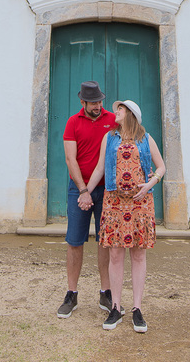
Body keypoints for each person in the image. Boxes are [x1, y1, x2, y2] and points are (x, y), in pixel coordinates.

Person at [84, 99, 166, 333]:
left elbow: (161, 167)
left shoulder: (145, 139)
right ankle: (116, 308)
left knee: (138, 255)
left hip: (140, 203)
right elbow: (100, 168)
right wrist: (85, 193)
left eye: (119, 109)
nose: (115, 112)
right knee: (115, 254)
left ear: (130, 114)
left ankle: (137, 309)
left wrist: (151, 182)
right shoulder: (109, 138)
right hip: (114, 202)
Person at [57, 81, 117, 318]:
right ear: (82, 102)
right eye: (92, 102)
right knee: (74, 241)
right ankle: (72, 293)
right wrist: (83, 190)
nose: (97, 106)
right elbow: (70, 160)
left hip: (107, 190)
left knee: (106, 241)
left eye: (99, 101)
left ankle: (106, 291)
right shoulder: (73, 122)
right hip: (78, 190)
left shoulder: (113, 119)